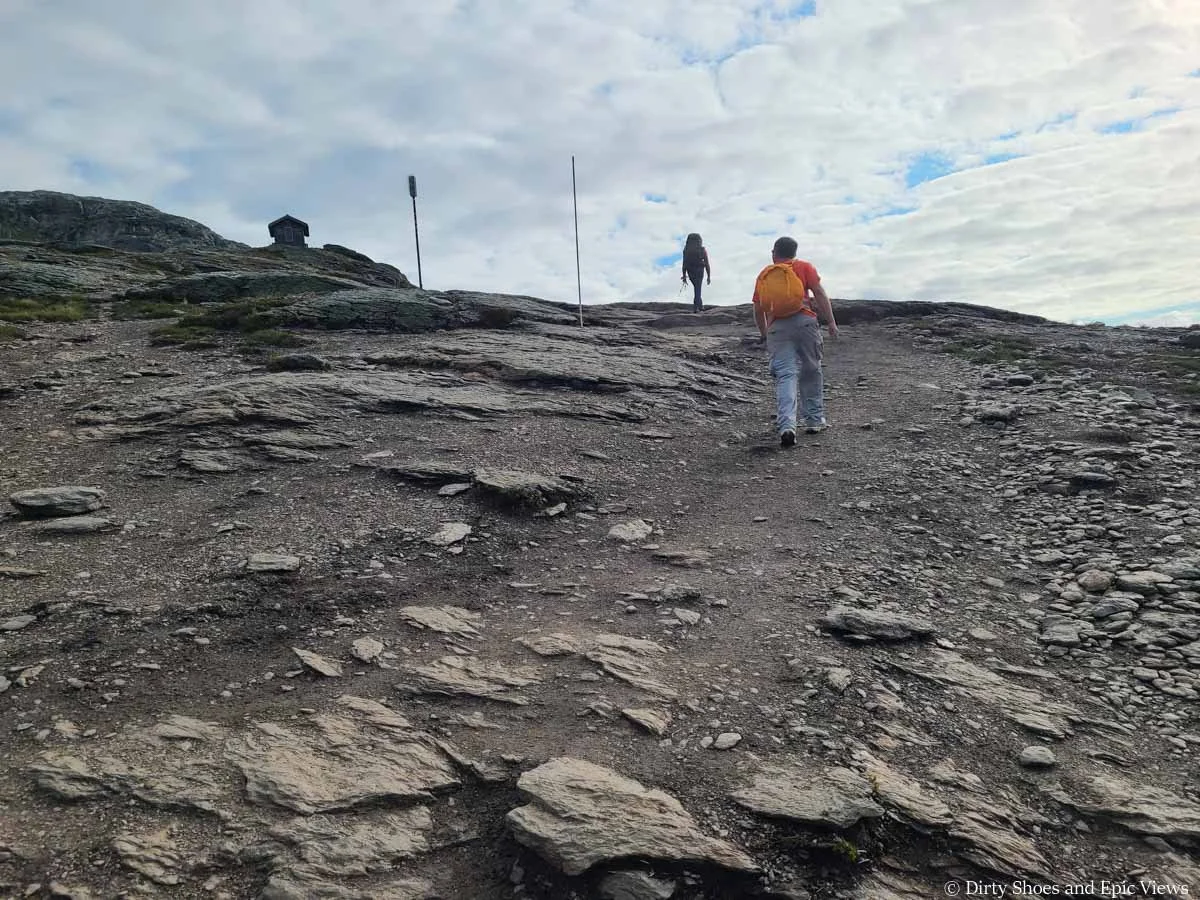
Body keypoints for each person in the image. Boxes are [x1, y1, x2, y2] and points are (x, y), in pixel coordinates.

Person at [751, 236, 839, 447]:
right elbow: (819, 293)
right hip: (805, 322)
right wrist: (831, 322)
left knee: (786, 375)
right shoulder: (804, 267)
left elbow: (757, 308)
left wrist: (764, 333)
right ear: (794, 252)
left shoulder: (765, 274)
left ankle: (787, 425)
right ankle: (814, 420)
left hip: (777, 328)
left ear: (774, 253)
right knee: (811, 368)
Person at [680, 233, 711, 312]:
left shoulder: (686, 250)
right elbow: (707, 263)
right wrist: (708, 276)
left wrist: (684, 275)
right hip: (699, 270)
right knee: (698, 288)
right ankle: (696, 307)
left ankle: (700, 306)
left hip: (690, 271)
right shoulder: (702, 250)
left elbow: (684, 264)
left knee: (697, 288)